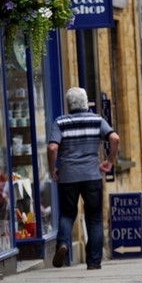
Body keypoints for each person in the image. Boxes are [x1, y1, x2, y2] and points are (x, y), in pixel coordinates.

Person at [48, 87, 119, 270]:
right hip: (91, 175)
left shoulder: (60, 122)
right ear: (86, 103)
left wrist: (52, 169)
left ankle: (63, 243)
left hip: (68, 176)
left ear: (68, 104)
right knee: (94, 218)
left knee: (67, 213)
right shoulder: (96, 120)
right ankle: (94, 261)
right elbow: (115, 138)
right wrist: (109, 161)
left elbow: (52, 148)